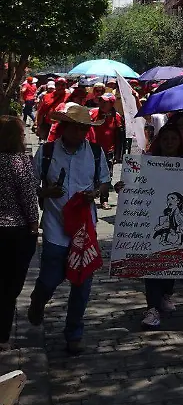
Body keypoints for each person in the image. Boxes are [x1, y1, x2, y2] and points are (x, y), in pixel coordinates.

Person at [28, 104, 111, 354]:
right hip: (55, 227)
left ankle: (74, 332)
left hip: (84, 230)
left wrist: (95, 194)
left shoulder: (96, 153)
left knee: (82, 284)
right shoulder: (47, 152)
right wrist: (46, 192)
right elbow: (31, 185)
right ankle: (38, 300)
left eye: (84, 128)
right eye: (76, 127)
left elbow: (104, 184)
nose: (80, 132)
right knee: (50, 279)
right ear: (65, 127)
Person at [118, 115, 183, 330]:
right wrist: (123, 187)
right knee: (151, 263)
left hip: (177, 223)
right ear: (159, 140)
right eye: (166, 138)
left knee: (172, 259)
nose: (170, 142)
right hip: (151, 218)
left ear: (180, 141)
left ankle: (166, 294)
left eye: (174, 138)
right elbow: (135, 185)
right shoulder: (146, 161)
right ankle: (152, 308)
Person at [0, 116, 39, 350]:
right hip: (15, 231)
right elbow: (28, 196)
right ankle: (2, 336)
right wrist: (34, 224)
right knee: (10, 287)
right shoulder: (19, 161)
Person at [89, 95, 124, 210]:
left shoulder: (116, 117)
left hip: (108, 150)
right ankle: (90, 196)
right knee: (90, 174)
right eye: (101, 101)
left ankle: (104, 199)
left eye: (105, 102)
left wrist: (118, 155)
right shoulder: (92, 113)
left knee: (106, 176)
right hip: (91, 149)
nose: (102, 104)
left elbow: (120, 137)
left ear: (111, 104)